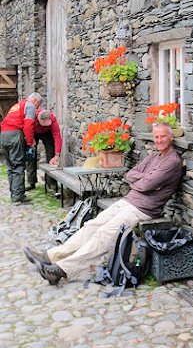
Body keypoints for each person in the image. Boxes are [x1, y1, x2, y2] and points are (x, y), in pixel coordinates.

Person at [24, 122, 183, 285]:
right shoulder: (155, 156)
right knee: (91, 225)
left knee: (104, 234)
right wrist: (142, 180)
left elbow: (145, 185)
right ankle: (50, 256)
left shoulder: (172, 162)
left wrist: (142, 181)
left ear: (171, 136)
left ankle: (62, 269)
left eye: (163, 136)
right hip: (129, 200)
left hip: (143, 209)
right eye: (156, 136)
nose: (159, 140)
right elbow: (131, 175)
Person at [0, 92, 43, 204]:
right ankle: (18, 197)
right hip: (15, 135)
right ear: (35, 101)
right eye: (38, 105)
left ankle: (14, 193)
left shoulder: (17, 105)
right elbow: (28, 125)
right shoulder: (30, 106)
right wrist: (29, 142)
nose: (37, 108)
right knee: (18, 165)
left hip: (4, 135)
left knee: (10, 166)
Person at [26, 109, 63, 190]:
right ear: (38, 119)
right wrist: (30, 140)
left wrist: (57, 154)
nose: (45, 125)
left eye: (47, 124)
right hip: (33, 132)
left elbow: (57, 136)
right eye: (43, 124)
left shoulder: (53, 120)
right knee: (30, 155)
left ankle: (51, 183)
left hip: (47, 133)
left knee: (51, 155)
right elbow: (27, 128)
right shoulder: (32, 116)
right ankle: (31, 182)